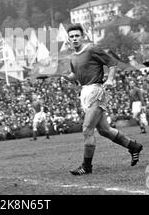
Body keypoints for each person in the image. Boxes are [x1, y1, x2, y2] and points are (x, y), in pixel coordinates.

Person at [61, 24, 143, 176]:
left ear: (82, 36)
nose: (74, 39)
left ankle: (86, 166)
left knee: (87, 129)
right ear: (69, 39)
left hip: (96, 91)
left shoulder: (91, 49)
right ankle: (134, 146)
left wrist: (110, 79)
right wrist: (66, 76)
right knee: (104, 130)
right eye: (71, 36)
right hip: (85, 92)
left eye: (77, 35)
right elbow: (76, 77)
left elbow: (112, 63)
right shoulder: (72, 57)